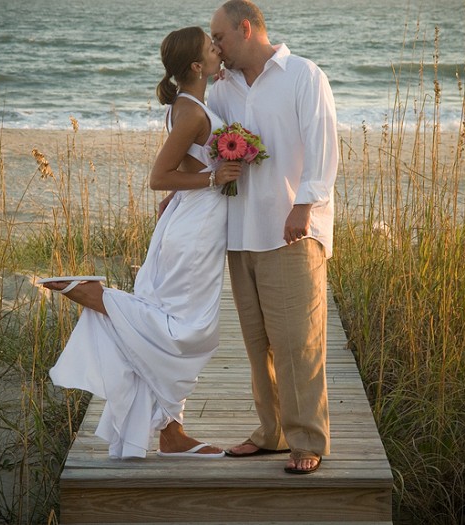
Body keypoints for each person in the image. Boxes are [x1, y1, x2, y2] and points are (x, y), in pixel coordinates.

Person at [41, 26, 242, 459]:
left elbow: (181, 167)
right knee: (191, 329)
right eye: (212, 48)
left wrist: (186, 186)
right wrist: (212, 177)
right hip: (196, 227)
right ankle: (96, 294)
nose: (218, 51)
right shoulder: (190, 112)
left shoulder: (188, 105)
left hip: (192, 218)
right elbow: (157, 176)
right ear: (195, 65)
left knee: (174, 320)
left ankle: (171, 433)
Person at [208, 0, 338, 474]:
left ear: (246, 29)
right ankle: (272, 432)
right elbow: (203, 140)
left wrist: (304, 205)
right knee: (257, 341)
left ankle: (308, 439)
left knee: (297, 340)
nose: (215, 47)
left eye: (219, 37)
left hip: (291, 230)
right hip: (242, 231)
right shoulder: (222, 90)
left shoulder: (303, 75)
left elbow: (323, 145)